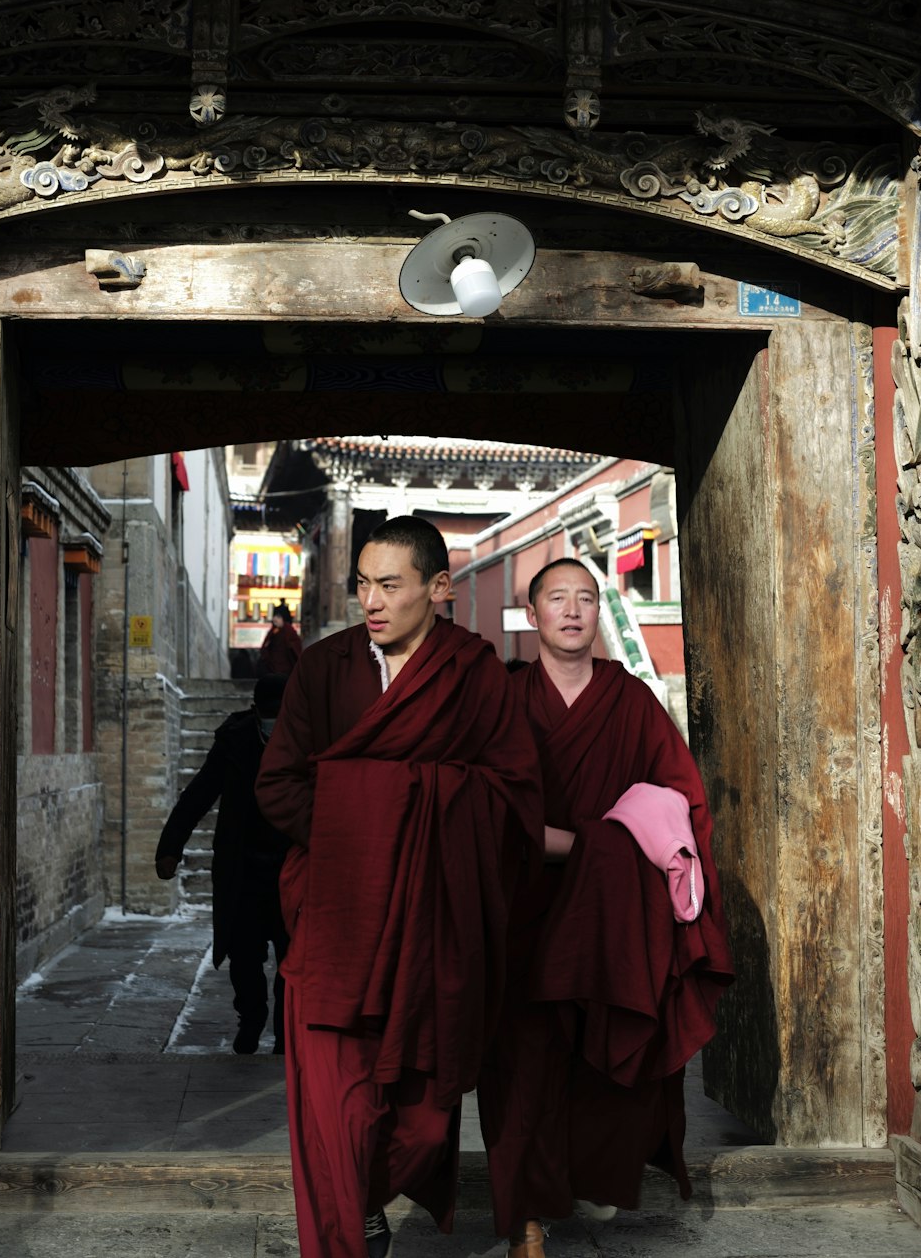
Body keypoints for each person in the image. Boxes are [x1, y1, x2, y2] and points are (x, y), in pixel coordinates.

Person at [256, 515, 544, 1258]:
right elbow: (279, 786)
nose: (371, 602)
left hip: (433, 925)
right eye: (362, 585)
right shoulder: (324, 670)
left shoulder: (473, 672)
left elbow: (514, 792)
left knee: (420, 1122)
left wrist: (401, 807)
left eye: (390, 585)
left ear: (438, 588)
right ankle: (345, 1231)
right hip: (337, 919)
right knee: (333, 1114)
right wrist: (366, 827)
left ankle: (370, 1197)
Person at [478, 559, 734, 1258]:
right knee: (523, 1065)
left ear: (599, 613)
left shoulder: (631, 702)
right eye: (556, 599)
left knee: (606, 1060)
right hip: (527, 910)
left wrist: (590, 844)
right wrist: (564, 843)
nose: (571, 611)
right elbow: (482, 805)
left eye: (585, 599)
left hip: (616, 916)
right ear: (532, 615)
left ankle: (590, 1179)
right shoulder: (503, 699)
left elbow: (684, 801)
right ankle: (526, 1217)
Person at [155, 674, 291, 1054]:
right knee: (244, 956)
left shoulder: (303, 740)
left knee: (293, 959)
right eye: (267, 713)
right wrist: (170, 846)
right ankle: (250, 1021)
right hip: (243, 868)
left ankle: (285, 1031)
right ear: (255, 709)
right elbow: (200, 792)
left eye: (278, 713)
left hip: (291, 869)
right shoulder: (235, 741)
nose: (272, 720)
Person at [256, 601, 302, 678]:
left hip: (286, 669)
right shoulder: (274, 631)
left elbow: (295, 650)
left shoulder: (289, 631)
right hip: (273, 668)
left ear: (284, 618)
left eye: (278, 617)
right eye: (274, 617)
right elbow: (265, 647)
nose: (274, 619)